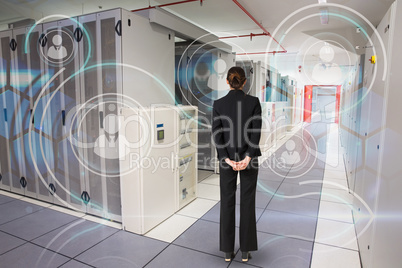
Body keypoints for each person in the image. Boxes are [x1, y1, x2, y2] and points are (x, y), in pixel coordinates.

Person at [212, 66, 262, 262]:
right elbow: (255, 132)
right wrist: (248, 157)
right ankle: (245, 251)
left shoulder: (218, 104)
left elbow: (217, 134)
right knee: (248, 202)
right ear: (245, 82)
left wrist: (225, 158)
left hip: (227, 160)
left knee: (227, 202)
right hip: (249, 159)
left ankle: (226, 251)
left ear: (227, 82)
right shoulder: (254, 102)